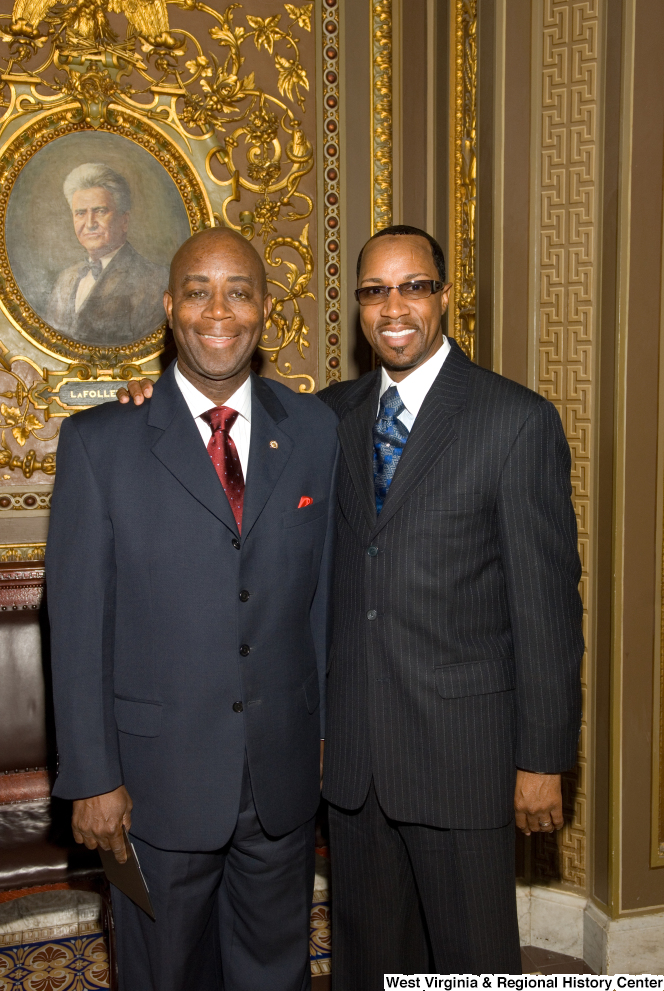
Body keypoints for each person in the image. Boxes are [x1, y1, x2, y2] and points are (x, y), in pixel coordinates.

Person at [117, 224, 584, 982]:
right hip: (353, 766)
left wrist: (543, 760)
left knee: (471, 964)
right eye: (374, 291)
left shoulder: (516, 422)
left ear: (444, 296)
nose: (393, 306)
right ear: (358, 308)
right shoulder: (324, 420)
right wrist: (151, 398)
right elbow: (217, 411)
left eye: (413, 286)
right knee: (370, 965)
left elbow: (549, 613)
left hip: (463, 760)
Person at [46, 227, 338, 991]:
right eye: (199, 290)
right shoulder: (99, 443)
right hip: (152, 789)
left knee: (275, 974)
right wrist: (92, 779)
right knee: (162, 975)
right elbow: (76, 629)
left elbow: (323, 603)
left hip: (279, 782)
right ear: (169, 306)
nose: (220, 310)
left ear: (265, 310)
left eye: (239, 291)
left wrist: (326, 735)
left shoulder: (312, 431)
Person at [47, 162, 168, 346]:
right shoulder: (65, 279)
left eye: (100, 211)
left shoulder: (154, 280)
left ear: (124, 220)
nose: (89, 223)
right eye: (80, 213)